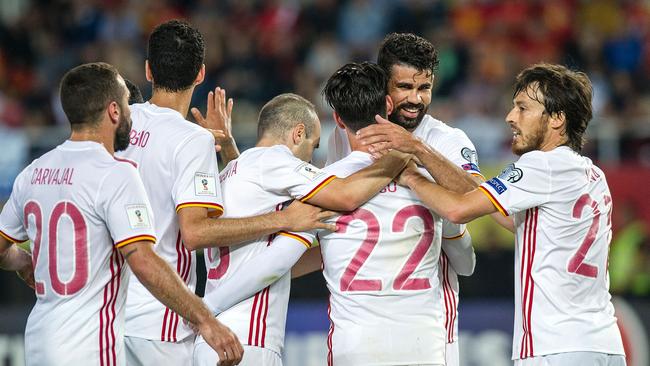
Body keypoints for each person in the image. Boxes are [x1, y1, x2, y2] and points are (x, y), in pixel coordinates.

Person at [115, 20, 334, 365]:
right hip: (163, 322)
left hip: (110, 316)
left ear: (147, 70)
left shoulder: (120, 127)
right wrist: (284, 219)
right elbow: (196, 232)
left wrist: (231, 156)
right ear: (201, 74)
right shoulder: (191, 140)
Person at [0, 62, 242, 366]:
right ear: (114, 111)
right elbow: (142, 260)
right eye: (128, 105)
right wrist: (206, 320)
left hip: (38, 342)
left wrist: (24, 260)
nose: (132, 114)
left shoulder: (34, 172)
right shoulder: (115, 174)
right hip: (89, 346)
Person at [396, 63, 626, 366]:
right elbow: (513, 219)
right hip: (604, 345)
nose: (510, 117)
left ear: (557, 119)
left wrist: (412, 173)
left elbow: (457, 209)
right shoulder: (593, 174)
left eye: (523, 108)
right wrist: (470, 178)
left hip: (554, 346)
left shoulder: (542, 165)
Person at [193, 92, 411, 366]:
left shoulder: (232, 171)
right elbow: (345, 195)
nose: (310, 160)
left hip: (217, 337)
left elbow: (270, 254)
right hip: (247, 339)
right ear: (298, 134)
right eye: (314, 145)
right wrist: (401, 155)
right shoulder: (276, 161)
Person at [328, 32, 477, 364]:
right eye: (405, 87)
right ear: (385, 91)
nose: (416, 99)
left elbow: (478, 197)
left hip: (429, 318)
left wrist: (417, 150)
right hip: (361, 317)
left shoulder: (447, 139)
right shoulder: (344, 137)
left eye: (424, 88)